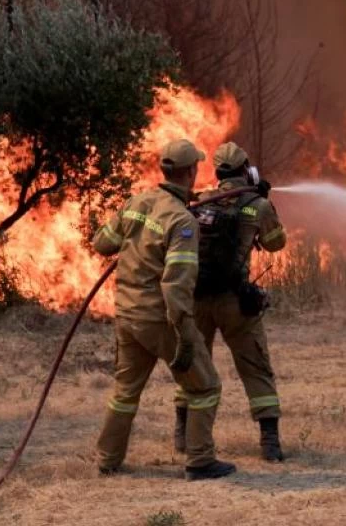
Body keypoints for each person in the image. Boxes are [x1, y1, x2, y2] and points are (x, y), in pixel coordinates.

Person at [92, 139, 236, 481]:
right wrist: (186, 335)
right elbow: (177, 284)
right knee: (204, 386)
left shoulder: (138, 202)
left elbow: (102, 243)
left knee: (125, 393)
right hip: (160, 319)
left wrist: (135, 241)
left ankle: (108, 459)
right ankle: (200, 460)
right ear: (190, 171)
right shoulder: (182, 222)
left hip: (127, 315)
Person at [173, 142, 288, 461]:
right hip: (234, 301)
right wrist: (265, 204)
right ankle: (270, 442)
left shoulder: (200, 201)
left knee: (194, 364)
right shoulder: (256, 205)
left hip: (196, 299)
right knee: (255, 365)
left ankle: (182, 433)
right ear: (245, 170)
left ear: (218, 172)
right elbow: (276, 244)